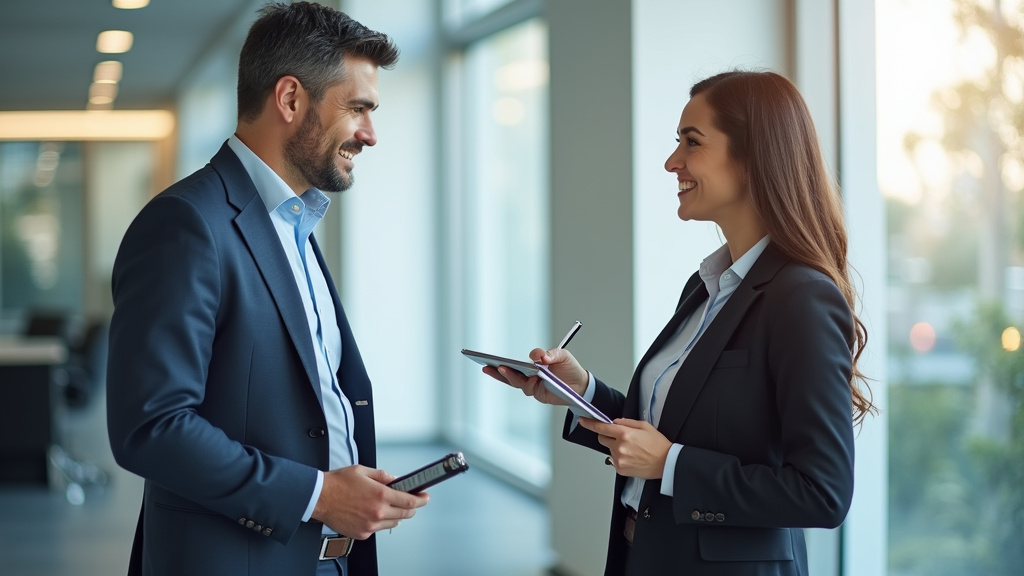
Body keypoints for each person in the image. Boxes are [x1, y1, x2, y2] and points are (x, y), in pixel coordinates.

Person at [485, 70, 875, 575]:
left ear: (755, 157)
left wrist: (672, 465)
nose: (672, 162)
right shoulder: (706, 287)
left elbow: (821, 493)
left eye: (692, 142)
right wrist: (579, 390)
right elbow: (675, 427)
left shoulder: (801, 297)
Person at [105, 3, 428, 575]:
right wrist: (319, 495)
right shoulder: (186, 224)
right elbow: (150, 427)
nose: (371, 135)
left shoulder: (293, 223)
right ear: (290, 99)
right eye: (358, 108)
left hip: (326, 559)